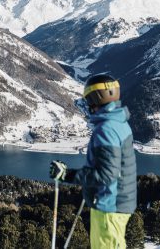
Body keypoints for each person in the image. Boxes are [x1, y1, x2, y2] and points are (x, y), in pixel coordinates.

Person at [50, 74, 136, 249]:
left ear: (96, 97)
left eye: (88, 98)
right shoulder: (118, 122)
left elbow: (106, 174)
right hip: (117, 202)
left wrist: (68, 175)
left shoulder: (106, 129)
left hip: (109, 205)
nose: (88, 104)